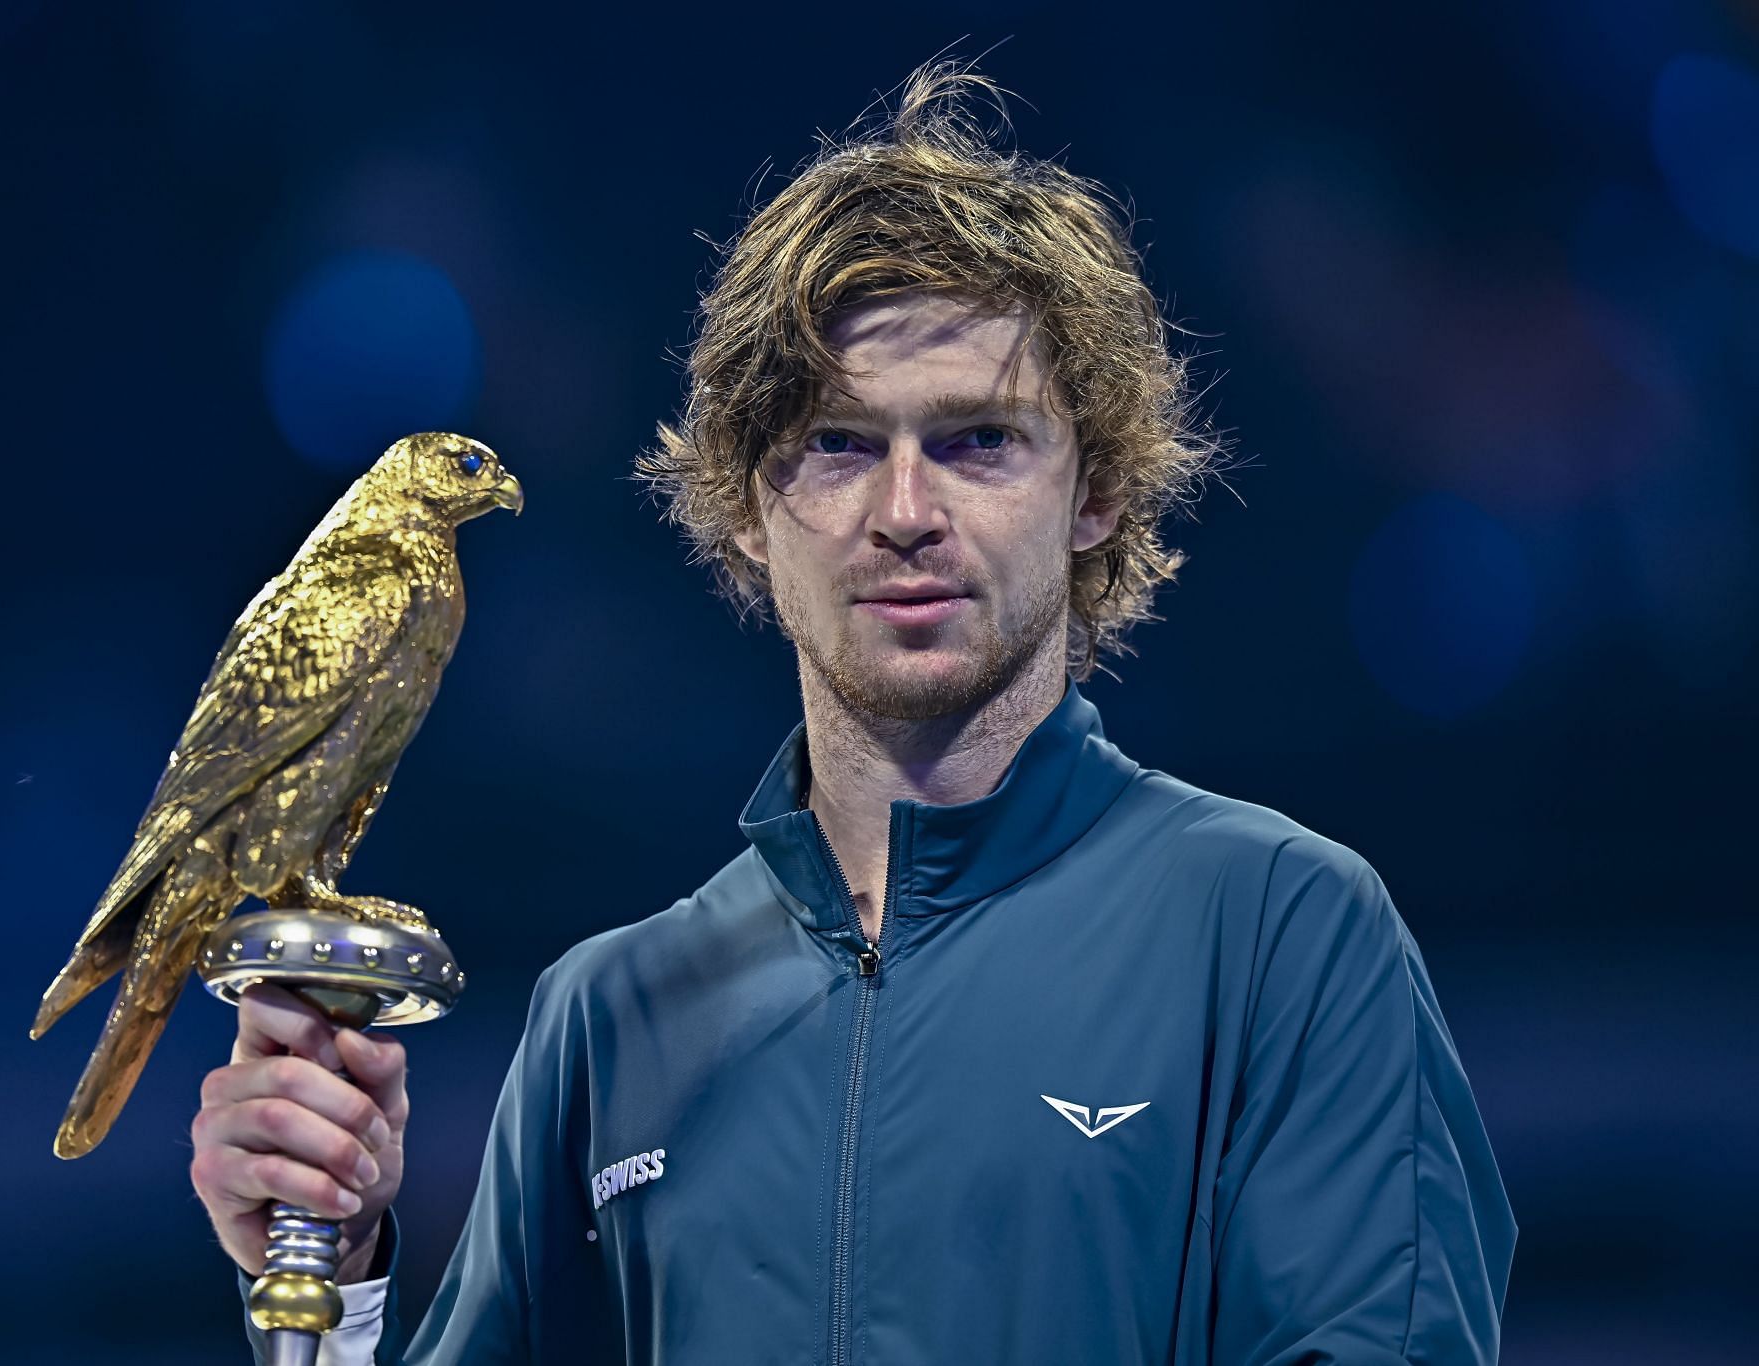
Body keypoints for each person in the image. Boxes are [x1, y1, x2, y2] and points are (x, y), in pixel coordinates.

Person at [190, 63, 1517, 1365]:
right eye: (836, 443)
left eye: (978, 440)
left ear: (1096, 493)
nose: (904, 512)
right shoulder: (612, 1012)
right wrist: (336, 1272)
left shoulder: (1283, 935)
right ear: (752, 508)